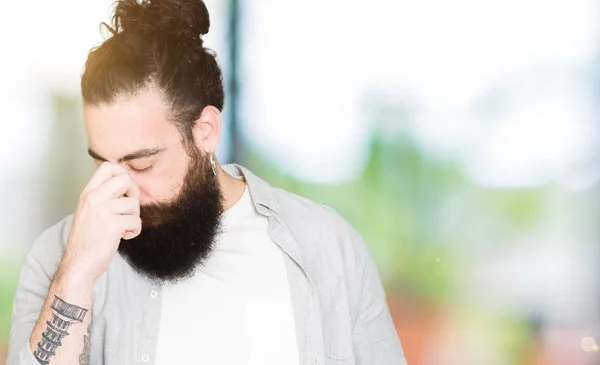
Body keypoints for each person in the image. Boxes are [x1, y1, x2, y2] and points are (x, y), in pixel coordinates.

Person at [7, 0, 406, 364]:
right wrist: (76, 273)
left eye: (142, 164)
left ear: (206, 132)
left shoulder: (329, 250)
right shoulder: (56, 258)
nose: (121, 193)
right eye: (104, 166)